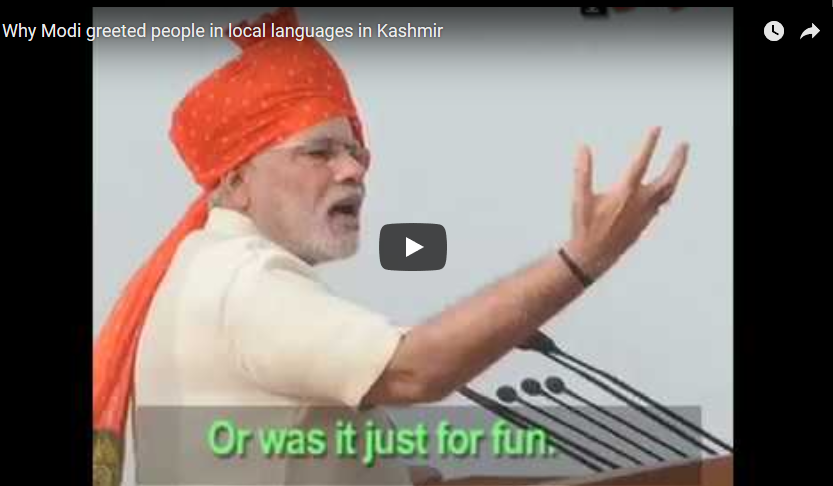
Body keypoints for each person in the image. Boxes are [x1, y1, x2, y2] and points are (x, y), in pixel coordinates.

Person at [93, 7, 688, 486]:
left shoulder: (205, 271)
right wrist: (583, 260)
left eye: (357, 153)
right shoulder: (243, 282)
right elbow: (413, 372)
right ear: (235, 181)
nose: (353, 170)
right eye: (319, 152)